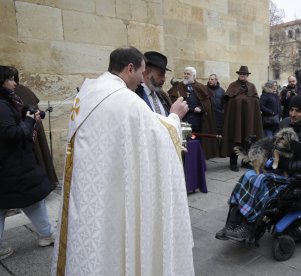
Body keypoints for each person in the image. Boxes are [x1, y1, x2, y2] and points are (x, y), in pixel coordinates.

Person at [50, 46, 195, 276]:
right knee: (116, 239)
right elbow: (159, 135)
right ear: (130, 68)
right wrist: (176, 117)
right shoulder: (125, 100)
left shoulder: (89, 92)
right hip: (112, 187)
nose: (141, 78)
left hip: (88, 185)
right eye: (141, 71)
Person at [216, 94, 301, 240]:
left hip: (299, 178)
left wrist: (287, 164)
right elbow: (273, 145)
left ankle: (248, 228)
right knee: (248, 177)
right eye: (291, 110)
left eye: (298, 111)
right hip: (280, 170)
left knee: (259, 182)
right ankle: (233, 223)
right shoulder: (286, 123)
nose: (293, 114)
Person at [0, 65, 55, 261]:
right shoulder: (1, 104)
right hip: (12, 165)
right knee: (32, 200)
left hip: (10, 166)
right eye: (10, 79)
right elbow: (11, 133)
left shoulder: (7, 101)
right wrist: (30, 121)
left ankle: (46, 234)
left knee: (14, 204)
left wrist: (29, 113)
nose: (15, 83)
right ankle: (46, 234)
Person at [10, 67, 59, 186]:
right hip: (31, 127)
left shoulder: (13, 93)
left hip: (27, 128)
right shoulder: (25, 89)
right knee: (40, 154)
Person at [168, 67, 219, 159]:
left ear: (194, 76)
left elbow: (207, 104)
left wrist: (201, 107)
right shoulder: (178, 87)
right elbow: (172, 101)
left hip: (196, 121)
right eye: (185, 73)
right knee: (182, 142)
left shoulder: (200, 87)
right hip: (183, 120)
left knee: (195, 142)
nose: (186, 76)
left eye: (188, 74)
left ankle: (195, 162)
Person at [220, 66, 263, 172]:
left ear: (247, 75)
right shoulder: (232, 86)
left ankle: (245, 162)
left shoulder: (252, 86)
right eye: (241, 74)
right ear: (238, 75)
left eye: (244, 74)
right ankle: (233, 163)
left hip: (248, 119)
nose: (242, 75)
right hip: (235, 119)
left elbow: (255, 102)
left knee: (247, 139)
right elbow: (229, 101)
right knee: (235, 139)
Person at [135, 51, 172, 116]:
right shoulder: (135, 95)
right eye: (161, 74)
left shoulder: (163, 96)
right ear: (146, 72)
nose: (164, 79)